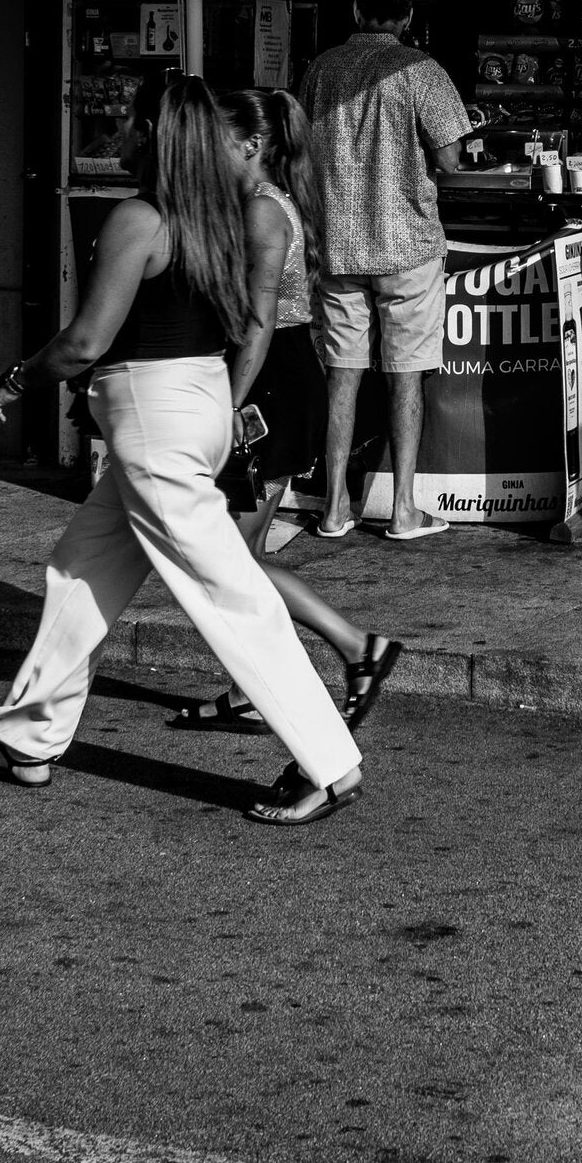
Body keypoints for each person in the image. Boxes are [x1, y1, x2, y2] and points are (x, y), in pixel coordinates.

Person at [0, 74, 365, 825]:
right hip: (195, 403)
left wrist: (16, 378)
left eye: (126, 121)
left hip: (155, 417)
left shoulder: (139, 218)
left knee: (225, 589)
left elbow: (85, 343)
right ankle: (28, 737)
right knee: (81, 571)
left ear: (152, 134)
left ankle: (330, 764)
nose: (115, 133)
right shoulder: (219, 218)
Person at [167, 86, 402, 735]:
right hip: (280, 379)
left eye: (217, 135)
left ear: (251, 143)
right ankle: (260, 684)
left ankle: (357, 647)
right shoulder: (262, 203)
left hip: (269, 385)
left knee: (232, 560)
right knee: (234, 557)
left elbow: (259, 319)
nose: (205, 146)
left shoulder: (264, 212)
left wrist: (227, 405)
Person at [299, 0, 470, 541]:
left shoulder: (321, 69)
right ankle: (403, 510)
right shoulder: (420, 70)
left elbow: (298, 149)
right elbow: (450, 160)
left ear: (356, 11)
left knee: (341, 376)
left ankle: (334, 508)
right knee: (405, 377)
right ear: (408, 17)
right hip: (406, 247)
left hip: (338, 246)